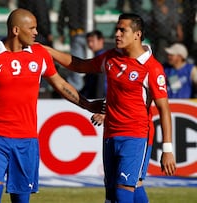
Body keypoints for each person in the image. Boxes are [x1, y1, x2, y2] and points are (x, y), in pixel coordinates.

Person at [0, 8, 104, 203]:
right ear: (16, 30)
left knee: (21, 199)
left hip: (26, 140)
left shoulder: (39, 54)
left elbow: (60, 84)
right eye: (32, 28)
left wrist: (87, 105)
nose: (36, 32)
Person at [44, 13, 176, 203]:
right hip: (111, 134)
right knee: (116, 193)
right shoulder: (111, 58)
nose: (117, 34)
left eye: (123, 30)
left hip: (136, 136)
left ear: (137, 34)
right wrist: (49, 51)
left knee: (123, 192)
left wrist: (167, 149)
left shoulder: (151, 68)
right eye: (116, 29)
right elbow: (81, 65)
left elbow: (164, 109)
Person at [56, 0, 88, 92]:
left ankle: (77, 88)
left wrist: (61, 32)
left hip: (78, 33)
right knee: (80, 63)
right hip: (83, 32)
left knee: (77, 63)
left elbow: (61, 17)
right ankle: (78, 88)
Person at [81, 30, 106, 99]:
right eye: (88, 41)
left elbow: (101, 81)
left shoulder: (102, 59)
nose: (90, 44)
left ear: (101, 41)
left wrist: (98, 98)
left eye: (92, 41)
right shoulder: (96, 59)